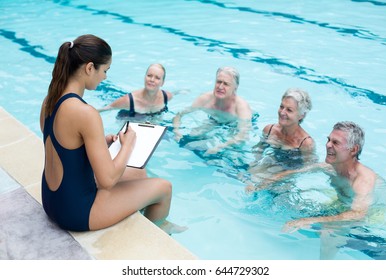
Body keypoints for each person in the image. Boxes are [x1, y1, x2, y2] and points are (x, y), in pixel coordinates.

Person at [40, 34, 185, 234]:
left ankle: (142, 216)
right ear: (89, 68)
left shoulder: (50, 99)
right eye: (105, 70)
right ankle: (157, 231)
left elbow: (63, 148)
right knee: (164, 188)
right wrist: (128, 145)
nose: (105, 77)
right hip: (75, 213)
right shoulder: (85, 113)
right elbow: (107, 180)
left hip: (51, 201)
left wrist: (99, 142)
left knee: (139, 173)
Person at [265, 121, 378, 233]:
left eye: (335, 142)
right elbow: (297, 171)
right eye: (328, 140)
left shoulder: (363, 180)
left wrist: (308, 220)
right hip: (343, 206)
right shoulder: (331, 167)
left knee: (325, 235)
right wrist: (268, 181)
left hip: (370, 221)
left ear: (353, 149)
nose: (328, 145)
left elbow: (357, 215)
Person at [172, 66, 252, 154]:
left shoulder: (242, 107)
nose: (220, 87)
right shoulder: (205, 99)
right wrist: (176, 131)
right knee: (193, 135)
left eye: (226, 84)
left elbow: (243, 135)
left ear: (235, 88)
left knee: (236, 147)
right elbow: (179, 114)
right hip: (213, 120)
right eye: (218, 82)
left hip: (233, 125)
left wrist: (220, 147)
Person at [245, 88, 316, 187]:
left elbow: (309, 169)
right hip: (267, 168)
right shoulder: (269, 130)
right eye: (281, 107)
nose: (282, 112)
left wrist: (279, 177)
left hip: (285, 181)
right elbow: (257, 153)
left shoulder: (305, 143)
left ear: (301, 115)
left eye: (289, 110)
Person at [98, 63, 173, 117]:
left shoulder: (167, 97)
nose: (152, 80)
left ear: (162, 83)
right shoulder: (129, 100)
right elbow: (105, 109)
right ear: (144, 77)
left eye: (157, 78)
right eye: (149, 76)